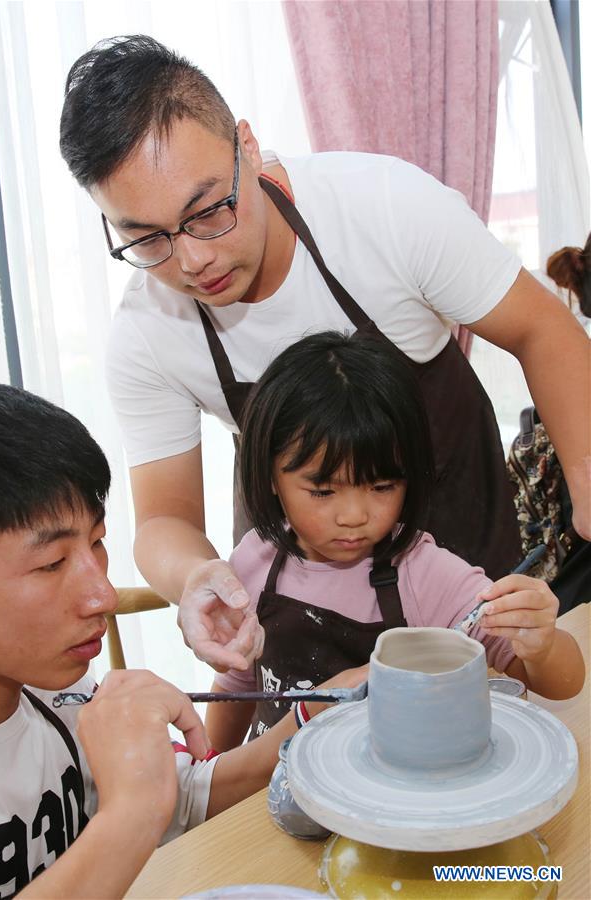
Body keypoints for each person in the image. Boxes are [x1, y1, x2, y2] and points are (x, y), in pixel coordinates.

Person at [59, 35, 591, 673]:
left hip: (459, 535)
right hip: (304, 581)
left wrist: (587, 483)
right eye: (145, 239)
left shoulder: (385, 208)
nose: (192, 260)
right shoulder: (147, 331)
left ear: (247, 150)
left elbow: (544, 329)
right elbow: (164, 517)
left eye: (208, 211)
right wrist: (198, 576)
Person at [0, 380, 364, 899]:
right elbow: (145, 808)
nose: (103, 596)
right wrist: (129, 814)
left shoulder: (58, 705)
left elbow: (187, 795)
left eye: (98, 543)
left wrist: (310, 717)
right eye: (52, 563)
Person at [205, 332, 585, 750]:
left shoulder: (424, 574)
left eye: (382, 486)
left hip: (390, 797)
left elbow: (562, 684)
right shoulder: (254, 561)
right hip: (269, 787)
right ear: (271, 478)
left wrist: (542, 644)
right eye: (322, 491)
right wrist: (210, 775)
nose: (354, 516)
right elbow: (236, 685)